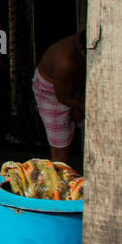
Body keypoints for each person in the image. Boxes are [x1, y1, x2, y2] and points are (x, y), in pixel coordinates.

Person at [33, 31, 86, 167]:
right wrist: (86, 107)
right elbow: (63, 98)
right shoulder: (65, 61)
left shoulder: (87, 41)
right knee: (60, 152)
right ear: (81, 50)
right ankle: (60, 183)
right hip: (52, 93)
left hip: (76, 89)